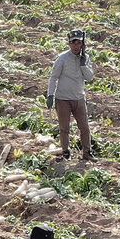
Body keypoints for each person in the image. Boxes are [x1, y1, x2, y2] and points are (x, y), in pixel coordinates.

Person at [45, 29, 96, 161]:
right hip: (63, 99)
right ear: (69, 43)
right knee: (64, 128)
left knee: (84, 127)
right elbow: (54, 77)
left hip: (79, 98)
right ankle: (65, 151)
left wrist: (84, 64)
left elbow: (90, 77)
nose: (76, 46)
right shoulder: (62, 58)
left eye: (79, 43)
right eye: (74, 43)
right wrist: (50, 95)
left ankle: (87, 152)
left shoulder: (85, 58)